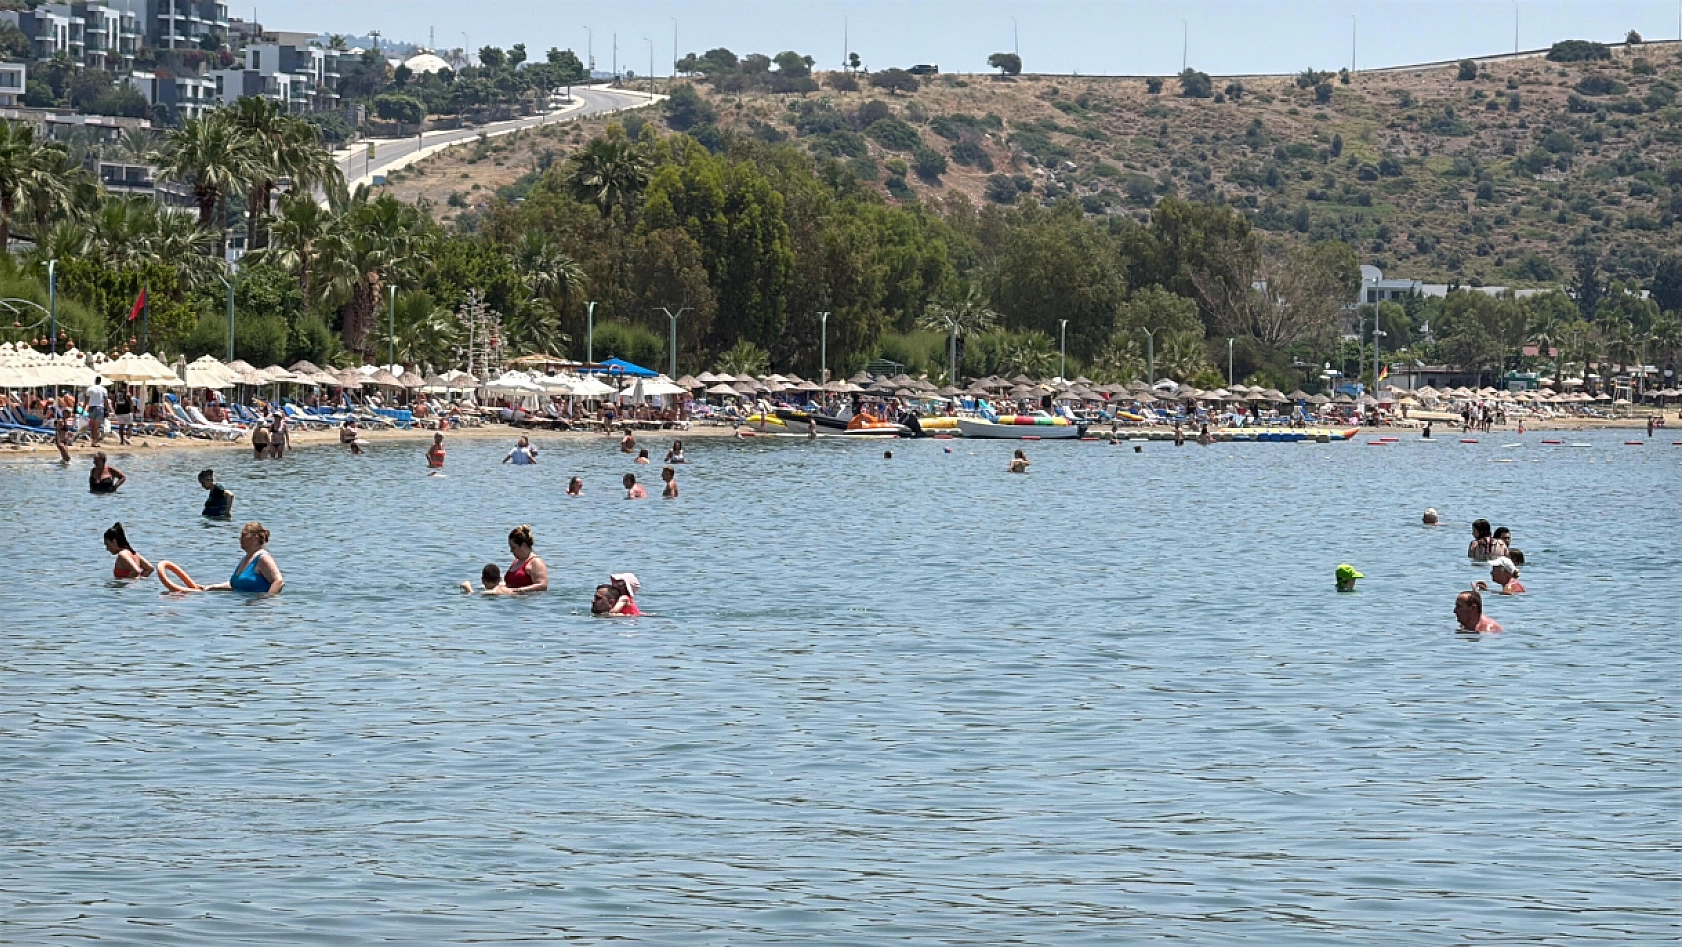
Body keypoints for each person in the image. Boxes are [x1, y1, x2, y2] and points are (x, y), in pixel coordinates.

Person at [159, 521, 285, 596]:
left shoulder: (263, 558)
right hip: (243, 608)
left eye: (243, 536)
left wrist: (268, 601)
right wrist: (210, 587)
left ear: (255, 538)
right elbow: (235, 585)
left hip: (258, 611)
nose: (239, 539)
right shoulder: (246, 559)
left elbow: (278, 581)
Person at [502, 524, 548, 593]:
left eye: (513, 548)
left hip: (529, 599)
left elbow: (542, 586)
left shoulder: (535, 562)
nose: (511, 551)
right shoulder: (516, 561)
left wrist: (517, 591)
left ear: (523, 545)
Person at [83, 376, 107, 447]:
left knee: (93, 426)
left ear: (95, 380)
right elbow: (105, 400)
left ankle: (93, 441)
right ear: (100, 381)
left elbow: (86, 400)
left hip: (91, 408)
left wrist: (84, 408)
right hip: (100, 408)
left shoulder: (90, 389)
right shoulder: (103, 389)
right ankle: (95, 442)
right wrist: (108, 409)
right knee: (97, 427)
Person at [52, 399, 72, 463]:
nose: (69, 414)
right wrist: (58, 441)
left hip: (65, 441)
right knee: (67, 458)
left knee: (66, 459)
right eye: (67, 413)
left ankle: (62, 465)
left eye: (68, 413)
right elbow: (57, 430)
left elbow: (66, 430)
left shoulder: (67, 421)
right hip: (60, 440)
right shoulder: (60, 421)